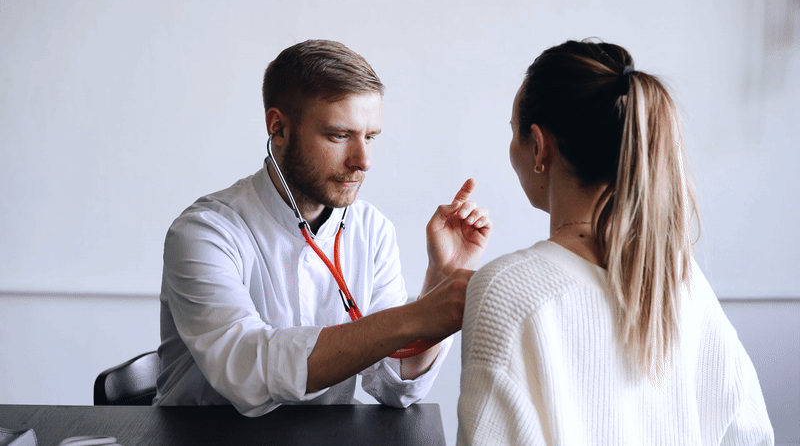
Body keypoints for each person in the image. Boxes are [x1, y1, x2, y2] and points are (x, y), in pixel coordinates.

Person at [457, 39, 773, 445]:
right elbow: (750, 435)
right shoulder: (681, 279)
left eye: (513, 131)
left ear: (538, 147)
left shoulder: (505, 290)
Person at [153, 39, 492, 416]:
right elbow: (248, 373)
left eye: (370, 137)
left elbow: (394, 384)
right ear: (278, 128)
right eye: (339, 135)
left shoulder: (371, 230)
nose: (363, 161)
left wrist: (442, 278)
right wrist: (417, 316)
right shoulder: (204, 232)